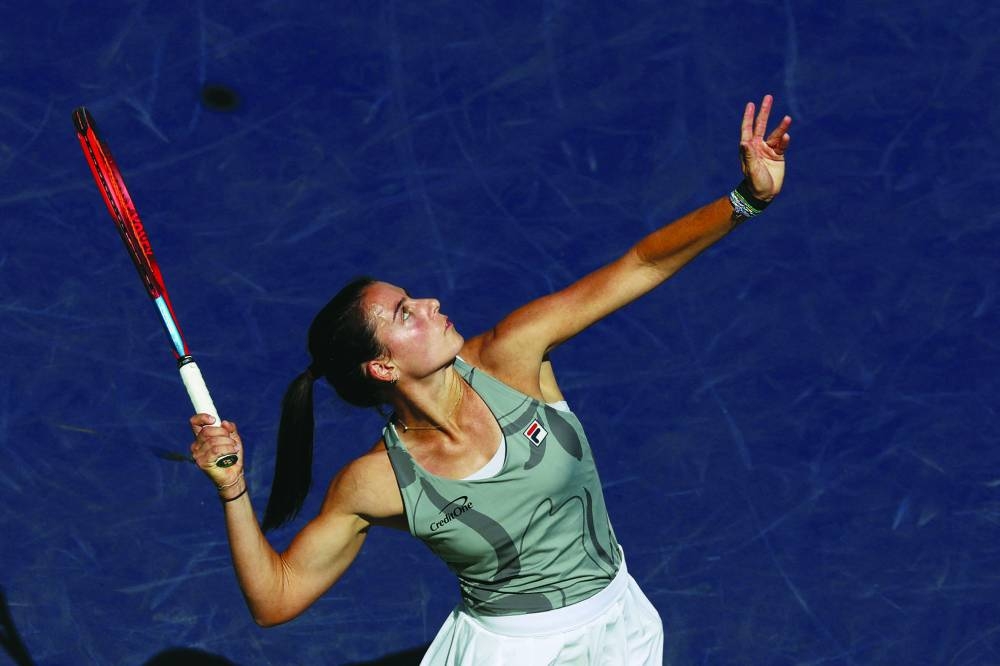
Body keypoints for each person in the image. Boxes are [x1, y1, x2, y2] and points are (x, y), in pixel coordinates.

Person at [190, 95, 792, 664]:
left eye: (412, 296)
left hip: (618, 630)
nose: (428, 302)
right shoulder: (376, 483)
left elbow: (641, 262)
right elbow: (276, 600)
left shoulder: (513, 355)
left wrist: (744, 200)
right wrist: (233, 490)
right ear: (383, 368)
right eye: (404, 313)